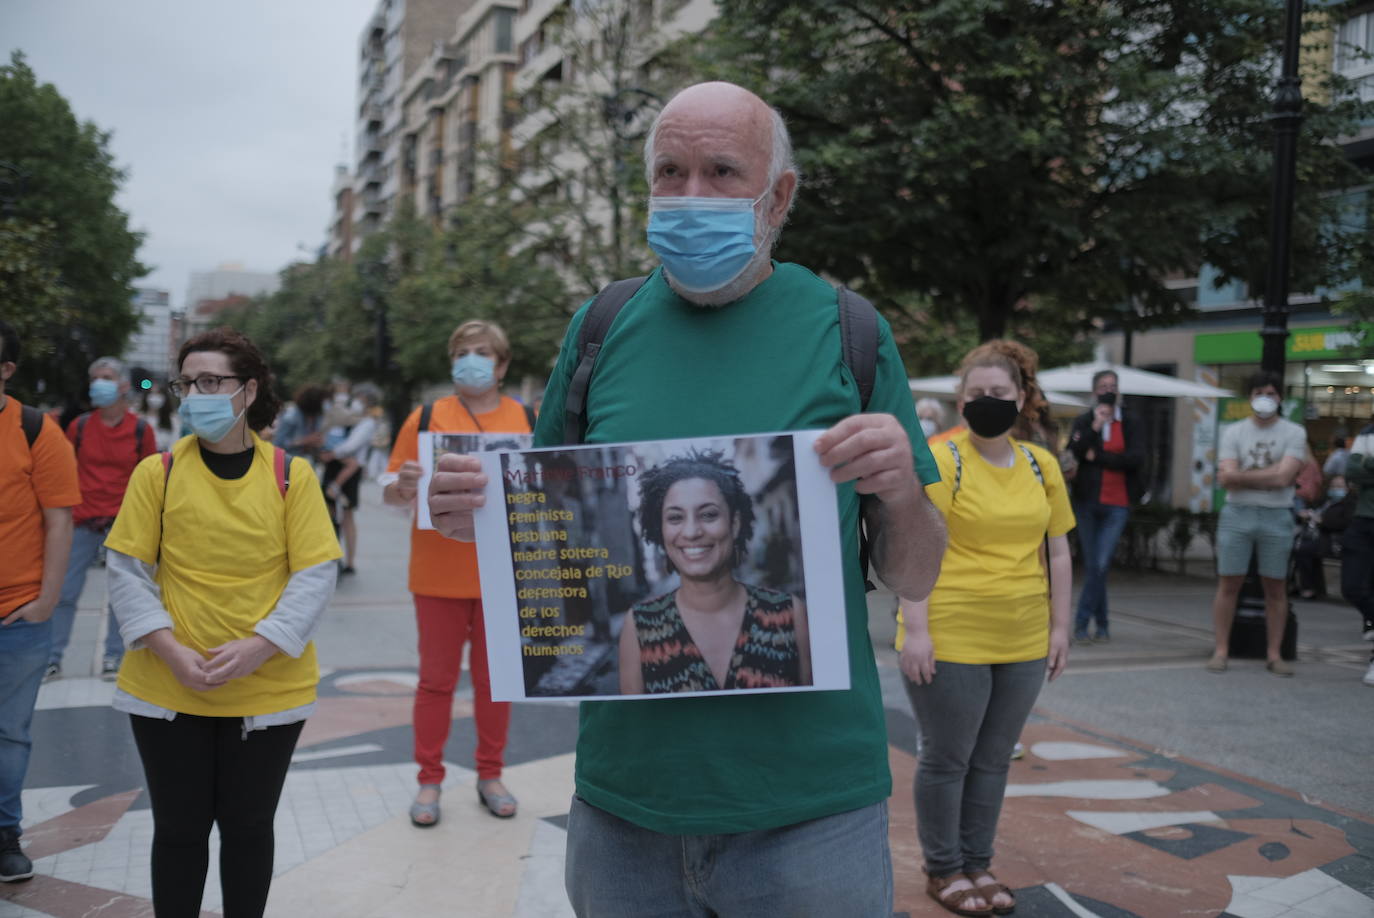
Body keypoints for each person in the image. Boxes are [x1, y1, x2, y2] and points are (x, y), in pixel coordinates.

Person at [428, 81, 945, 917]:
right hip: (625, 810)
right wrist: (474, 518)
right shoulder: (601, 327)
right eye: (670, 172)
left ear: (778, 196)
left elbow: (915, 574)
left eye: (721, 171)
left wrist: (902, 493)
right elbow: (542, 529)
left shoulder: (848, 330)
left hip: (809, 812)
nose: (691, 195)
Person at [105, 328, 339, 916]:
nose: (195, 395)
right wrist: (169, 649)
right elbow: (127, 571)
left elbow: (314, 575)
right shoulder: (155, 473)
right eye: (188, 383)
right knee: (179, 831)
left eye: (212, 382)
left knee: (249, 829)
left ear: (248, 388)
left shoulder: (293, 475)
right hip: (167, 687)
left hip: (266, 689)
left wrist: (262, 646)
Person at [897, 340, 1073, 917]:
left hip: (1021, 634)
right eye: (977, 395)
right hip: (951, 632)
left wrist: (1060, 628)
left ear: (1021, 398)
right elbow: (911, 546)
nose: (989, 402)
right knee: (948, 757)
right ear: (960, 399)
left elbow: (1059, 550)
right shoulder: (941, 459)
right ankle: (944, 869)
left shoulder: (1039, 464)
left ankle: (978, 862)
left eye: (1000, 394)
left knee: (995, 758)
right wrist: (915, 629)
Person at [383, 319, 532, 827]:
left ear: (503, 363)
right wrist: (400, 486)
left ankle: (491, 774)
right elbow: (391, 490)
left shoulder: (527, 417)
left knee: (497, 682)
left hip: (503, 575)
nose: (471, 358)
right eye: (462, 351)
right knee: (436, 682)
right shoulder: (426, 417)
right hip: (437, 574)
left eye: (482, 351)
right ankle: (429, 781)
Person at [619, 450, 810, 694]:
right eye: (675, 518)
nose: (691, 532)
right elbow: (635, 727)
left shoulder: (787, 614)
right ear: (661, 530)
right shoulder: (639, 626)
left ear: (735, 523)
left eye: (708, 515)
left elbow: (810, 715)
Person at [0, 319, 79, 884]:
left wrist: (48, 599)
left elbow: (59, 521)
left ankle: (4, 832)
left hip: (17, 614)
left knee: (9, 731)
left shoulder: (35, 430)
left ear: (6, 370)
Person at [46, 357, 159, 681]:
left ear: (123, 386)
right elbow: (64, 470)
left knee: (122, 594)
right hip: (81, 521)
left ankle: (115, 657)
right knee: (64, 592)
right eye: (95, 377)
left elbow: (151, 476)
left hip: (124, 523)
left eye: (106, 377)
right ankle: (53, 658)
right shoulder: (79, 426)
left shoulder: (140, 429)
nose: (99, 383)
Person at [1207, 371, 1305, 677]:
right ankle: (1221, 649)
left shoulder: (1294, 432)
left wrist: (1242, 477)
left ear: (1281, 398)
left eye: (1272, 393)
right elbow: (1225, 478)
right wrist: (1268, 476)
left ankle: (1274, 654)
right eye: (1260, 392)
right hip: (1237, 513)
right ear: (1250, 397)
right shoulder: (1234, 431)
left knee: (1275, 586)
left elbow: (1285, 478)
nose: (1266, 398)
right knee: (1229, 583)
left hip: (1277, 515)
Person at [1066, 369, 1146, 643]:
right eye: (1103, 386)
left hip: (1118, 503)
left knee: (1100, 563)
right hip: (1088, 501)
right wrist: (1096, 427)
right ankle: (1102, 624)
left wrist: (1097, 456)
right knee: (1093, 565)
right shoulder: (1084, 421)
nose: (1108, 390)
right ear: (1094, 391)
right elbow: (1074, 452)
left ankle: (1081, 622)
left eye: (1112, 386)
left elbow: (1136, 459)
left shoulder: (1132, 421)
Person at [320, 382, 380, 575]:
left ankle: (349, 562)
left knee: (347, 516)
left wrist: (333, 453)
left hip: (349, 470)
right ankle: (331, 556)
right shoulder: (348, 417)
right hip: (336, 465)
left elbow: (352, 446)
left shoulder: (367, 422)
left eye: (362, 400)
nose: (358, 402)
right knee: (329, 514)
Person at [1342, 425, 1374, 686]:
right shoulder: (1365, 434)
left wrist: (1368, 465)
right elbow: (1351, 472)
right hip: (1363, 520)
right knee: (1352, 586)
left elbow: (1362, 470)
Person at [1292, 475, 1353, 600]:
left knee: (1304, 549)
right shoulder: (1325, 501)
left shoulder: (1349, 504)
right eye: (1333, 486)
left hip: (1333, 540)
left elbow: (1345, 523)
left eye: (1339, 486)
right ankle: (1295, 584)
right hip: (1316, 536)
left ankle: (1309, 588)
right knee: (1295, 546)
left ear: (1348, 488)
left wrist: (1322, 521)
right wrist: (1306, 515)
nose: (1335, 489)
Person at [273, 383, 328, 464]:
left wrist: (319, 443)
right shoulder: (291, 416)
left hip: (307, 460)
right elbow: (279, 443)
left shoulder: (317, 416)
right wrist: (304, 441)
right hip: (289, 461)